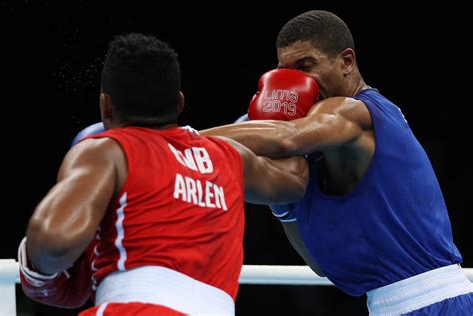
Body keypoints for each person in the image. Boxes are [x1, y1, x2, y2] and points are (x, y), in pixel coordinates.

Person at [201, 10, 473, 315]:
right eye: (285, 70)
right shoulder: (317, 155)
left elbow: (285, 137)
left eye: (306, 66)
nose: (294, 82)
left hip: (436, 302)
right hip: (388, 305)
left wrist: (179, 140)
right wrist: (285, 205)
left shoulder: (356, 111)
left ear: (346, 61)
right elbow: (320, 265)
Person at [17, 33, 309, 315]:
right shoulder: (229, 156)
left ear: (106, 105)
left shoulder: (107, 150)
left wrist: (39, 271)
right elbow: (295, 180)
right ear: (179, 103)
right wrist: (293, 112)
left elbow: (54, 243)